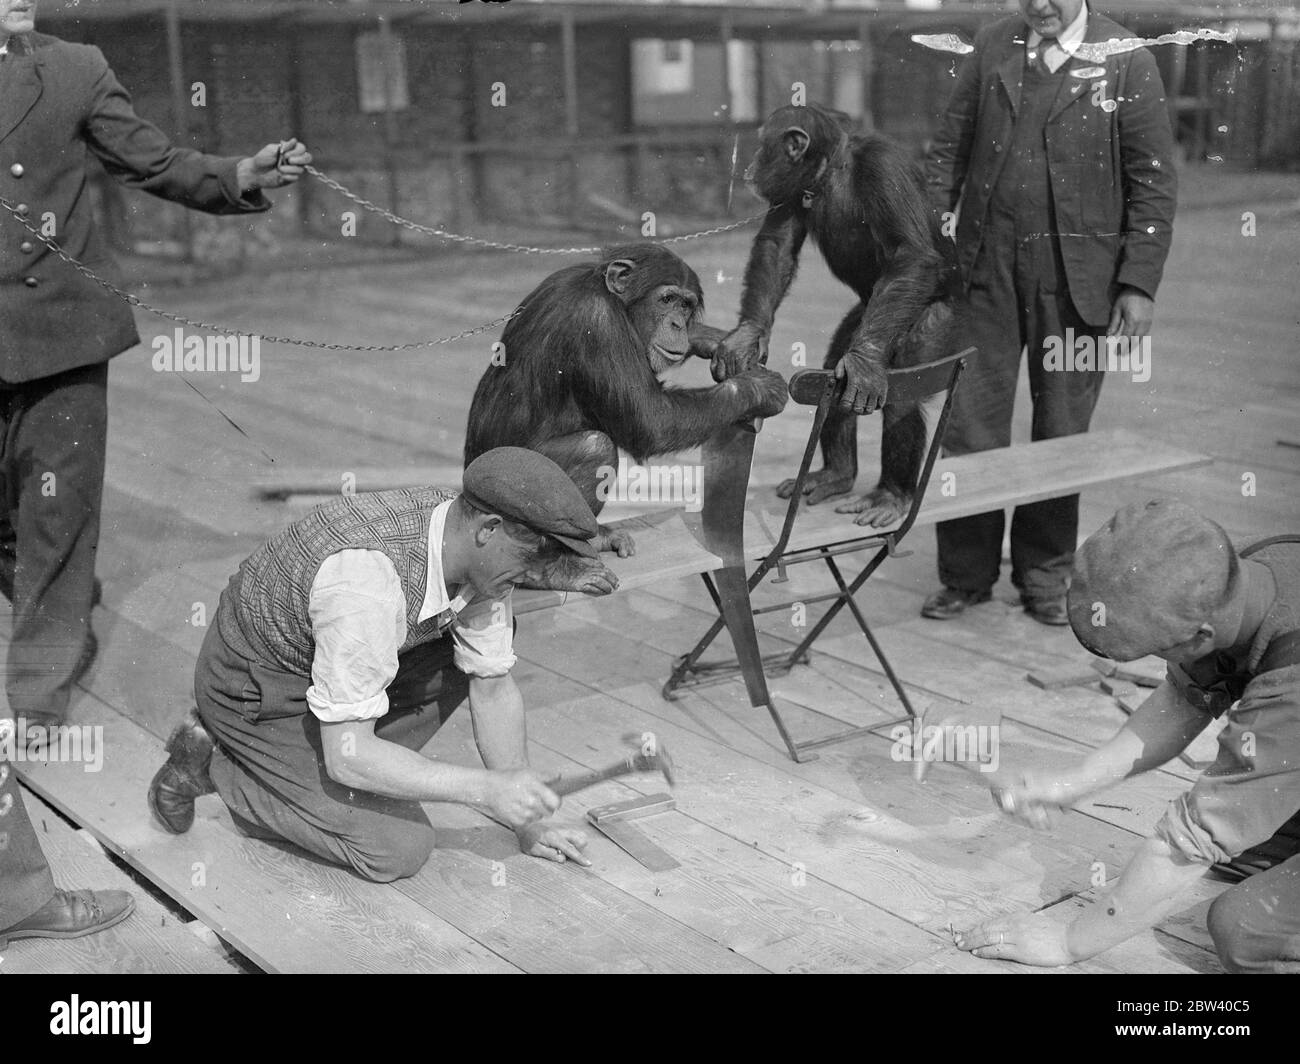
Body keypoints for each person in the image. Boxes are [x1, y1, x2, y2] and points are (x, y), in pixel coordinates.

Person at [0, 0, 312, 733]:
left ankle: (38, 695)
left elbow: (155, 162)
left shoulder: (74, 69)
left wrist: (243, 171)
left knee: (58, 516)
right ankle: (61, 613)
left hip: (61, 334)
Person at [148, 448, 615, 882]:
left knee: (471, 658)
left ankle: (305, 773)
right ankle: (217, 763)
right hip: (253, 688)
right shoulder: (365, 582)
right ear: (488, 529)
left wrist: (529, 821)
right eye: (531, 557)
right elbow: (348, 757)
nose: (535, 573)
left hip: (329, 669)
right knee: (397, 847)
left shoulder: (470, 545)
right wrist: (485, 789)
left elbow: (492, 686)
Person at [955, 501, 1300, 972]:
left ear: (1200, 635)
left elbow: (1192, 838)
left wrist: (1069, 941)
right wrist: (1073, 782)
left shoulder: (1292, 682)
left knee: (1245, 931)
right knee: (1243, 843)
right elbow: (1184, 697)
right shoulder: (1237, 573)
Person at [922, 0, 1177, 624]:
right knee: (969, 428)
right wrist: (929, 250)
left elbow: (1154, 181)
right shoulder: (991, 44)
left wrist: (1137, 284)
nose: (1039, 4)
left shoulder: (1128, 61)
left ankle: (1044, 578)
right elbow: (945, 156)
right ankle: (965, 575)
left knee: (1062, 431)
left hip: (1079, 286)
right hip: (983, 274)